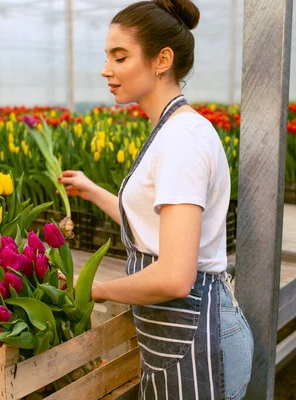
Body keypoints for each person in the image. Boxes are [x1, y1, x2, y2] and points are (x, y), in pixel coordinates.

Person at [58, 1, 253, 398]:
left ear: (162, 59)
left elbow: (174, 277)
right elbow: (152, 228)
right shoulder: (173, 129)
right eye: (106, 56)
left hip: (199, 346)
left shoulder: (181, 139)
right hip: (181, 341)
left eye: (120, 56)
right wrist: (94, 191)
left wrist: (88, 286)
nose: (105, 69)